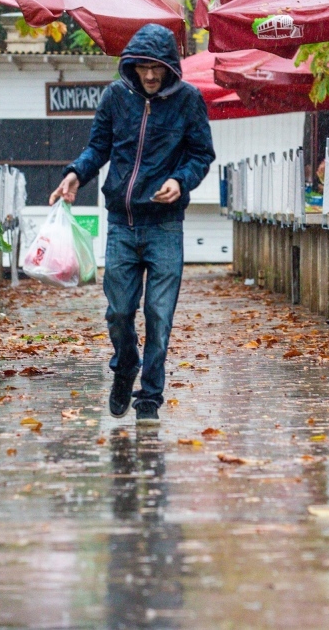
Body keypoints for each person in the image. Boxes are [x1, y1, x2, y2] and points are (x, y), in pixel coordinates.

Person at [51, 24, 215, 426]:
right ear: (131, 66)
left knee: (159, 316)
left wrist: (180, 180)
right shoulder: (115, 97)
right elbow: (98, 148)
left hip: (165, 227)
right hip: (122, 225)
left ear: (169, 66)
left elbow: (201, 155)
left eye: (156, 68)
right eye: (142, 67)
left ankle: (150, 397)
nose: (149, 75)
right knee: (119, 312)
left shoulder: (189, 101)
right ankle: (126, 367)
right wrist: (76, 174)